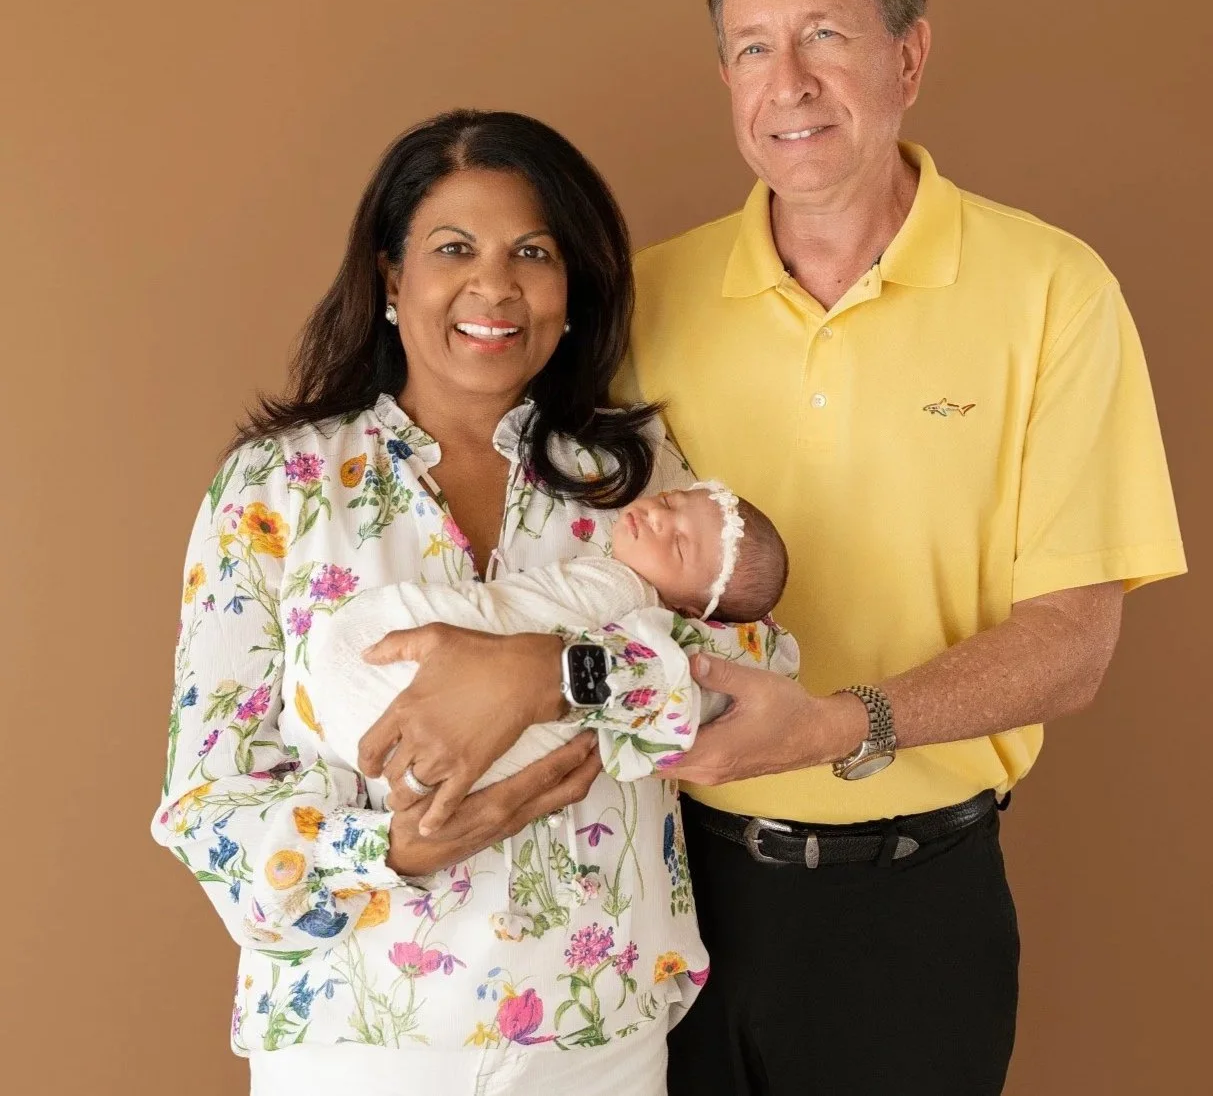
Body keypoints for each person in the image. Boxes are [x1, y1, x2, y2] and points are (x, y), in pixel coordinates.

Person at [616, 0, 1188, 1095]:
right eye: (753, 49)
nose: (790, 83)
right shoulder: (642, 304)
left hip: (912, 912)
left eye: (825, 35)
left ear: (909, 54)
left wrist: (839, 725)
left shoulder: (1054, 293)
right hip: (658, 891)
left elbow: (1074, 643)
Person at [150, 110, 795, 1096]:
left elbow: (749, 686)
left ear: (571, 285)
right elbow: (210, 801)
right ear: (391, 277)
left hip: (595, 1038)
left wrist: (551, 675)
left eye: (531, 252)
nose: (495, 286)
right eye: (455, 248)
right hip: (355, 1043)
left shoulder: (635, 480)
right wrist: (389, 847)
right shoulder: (274, 490)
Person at [308, 481, 791, 896]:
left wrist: (539, 674)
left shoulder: (635, 604)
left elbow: (704, 681)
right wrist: (384, 851)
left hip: (611, 948)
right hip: (381, 757)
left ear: (690, 612)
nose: (660, 516)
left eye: (681, 545)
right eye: (668, 500)